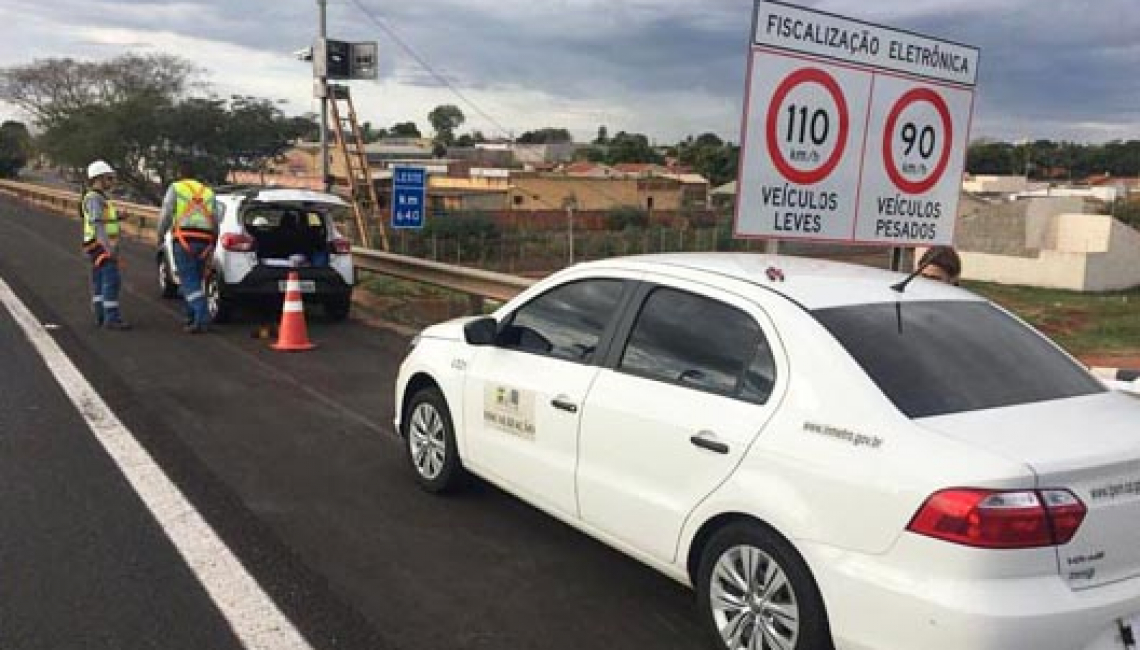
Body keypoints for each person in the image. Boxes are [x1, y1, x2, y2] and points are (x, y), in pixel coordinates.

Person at [158, 161, 219, 333]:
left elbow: (166, 213)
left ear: (180, 174)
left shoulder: (176, 188)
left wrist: (160, 234)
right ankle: (192, 318)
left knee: (188, 281)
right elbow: (215, 219)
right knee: (196, 281)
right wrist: (214, 241)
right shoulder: (207, 192)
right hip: (205, 241)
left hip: (184, 240)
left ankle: (202, 317)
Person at [81, 160, 130, 330]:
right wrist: (108, 249)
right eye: (108, 178)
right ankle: (111, 318)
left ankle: (101, 315)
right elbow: (96, 221)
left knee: (100, 280)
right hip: (100, 245)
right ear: (98, 178)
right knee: (111, 281)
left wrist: (118, 217)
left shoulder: (100, 198)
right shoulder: (94, 198)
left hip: (96, 244)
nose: (111, 182)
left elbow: (103, 219)